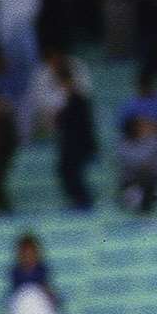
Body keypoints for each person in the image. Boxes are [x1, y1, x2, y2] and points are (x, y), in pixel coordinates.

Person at [4, 234, 67, 314]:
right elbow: (13, 300)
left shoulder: (43, 271)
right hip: (22, 313)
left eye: (31, 252)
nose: (28, 256)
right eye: (25, 253)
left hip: (41, 311)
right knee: (28, 296)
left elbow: (54, 299)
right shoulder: (15, 273)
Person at [53, 60, 98, 210]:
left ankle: (83, 200)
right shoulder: (68, 100)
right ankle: (79, 200)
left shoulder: (79, 100)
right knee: (65, 171)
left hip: (77, 144)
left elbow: (85, 126)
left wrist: (90, 146)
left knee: (70, 172)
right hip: (69, 144)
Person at [114, 114, 157, 213]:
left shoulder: (156, 141)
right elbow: (126, 159)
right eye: (142, 126)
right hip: (131, 178)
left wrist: (154, 166)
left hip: (151, 177)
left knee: (149, 183)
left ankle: (147, 207)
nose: (146, 127)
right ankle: (132, 203)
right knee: (131, 188)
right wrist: (142, 164)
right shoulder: (124, 143)